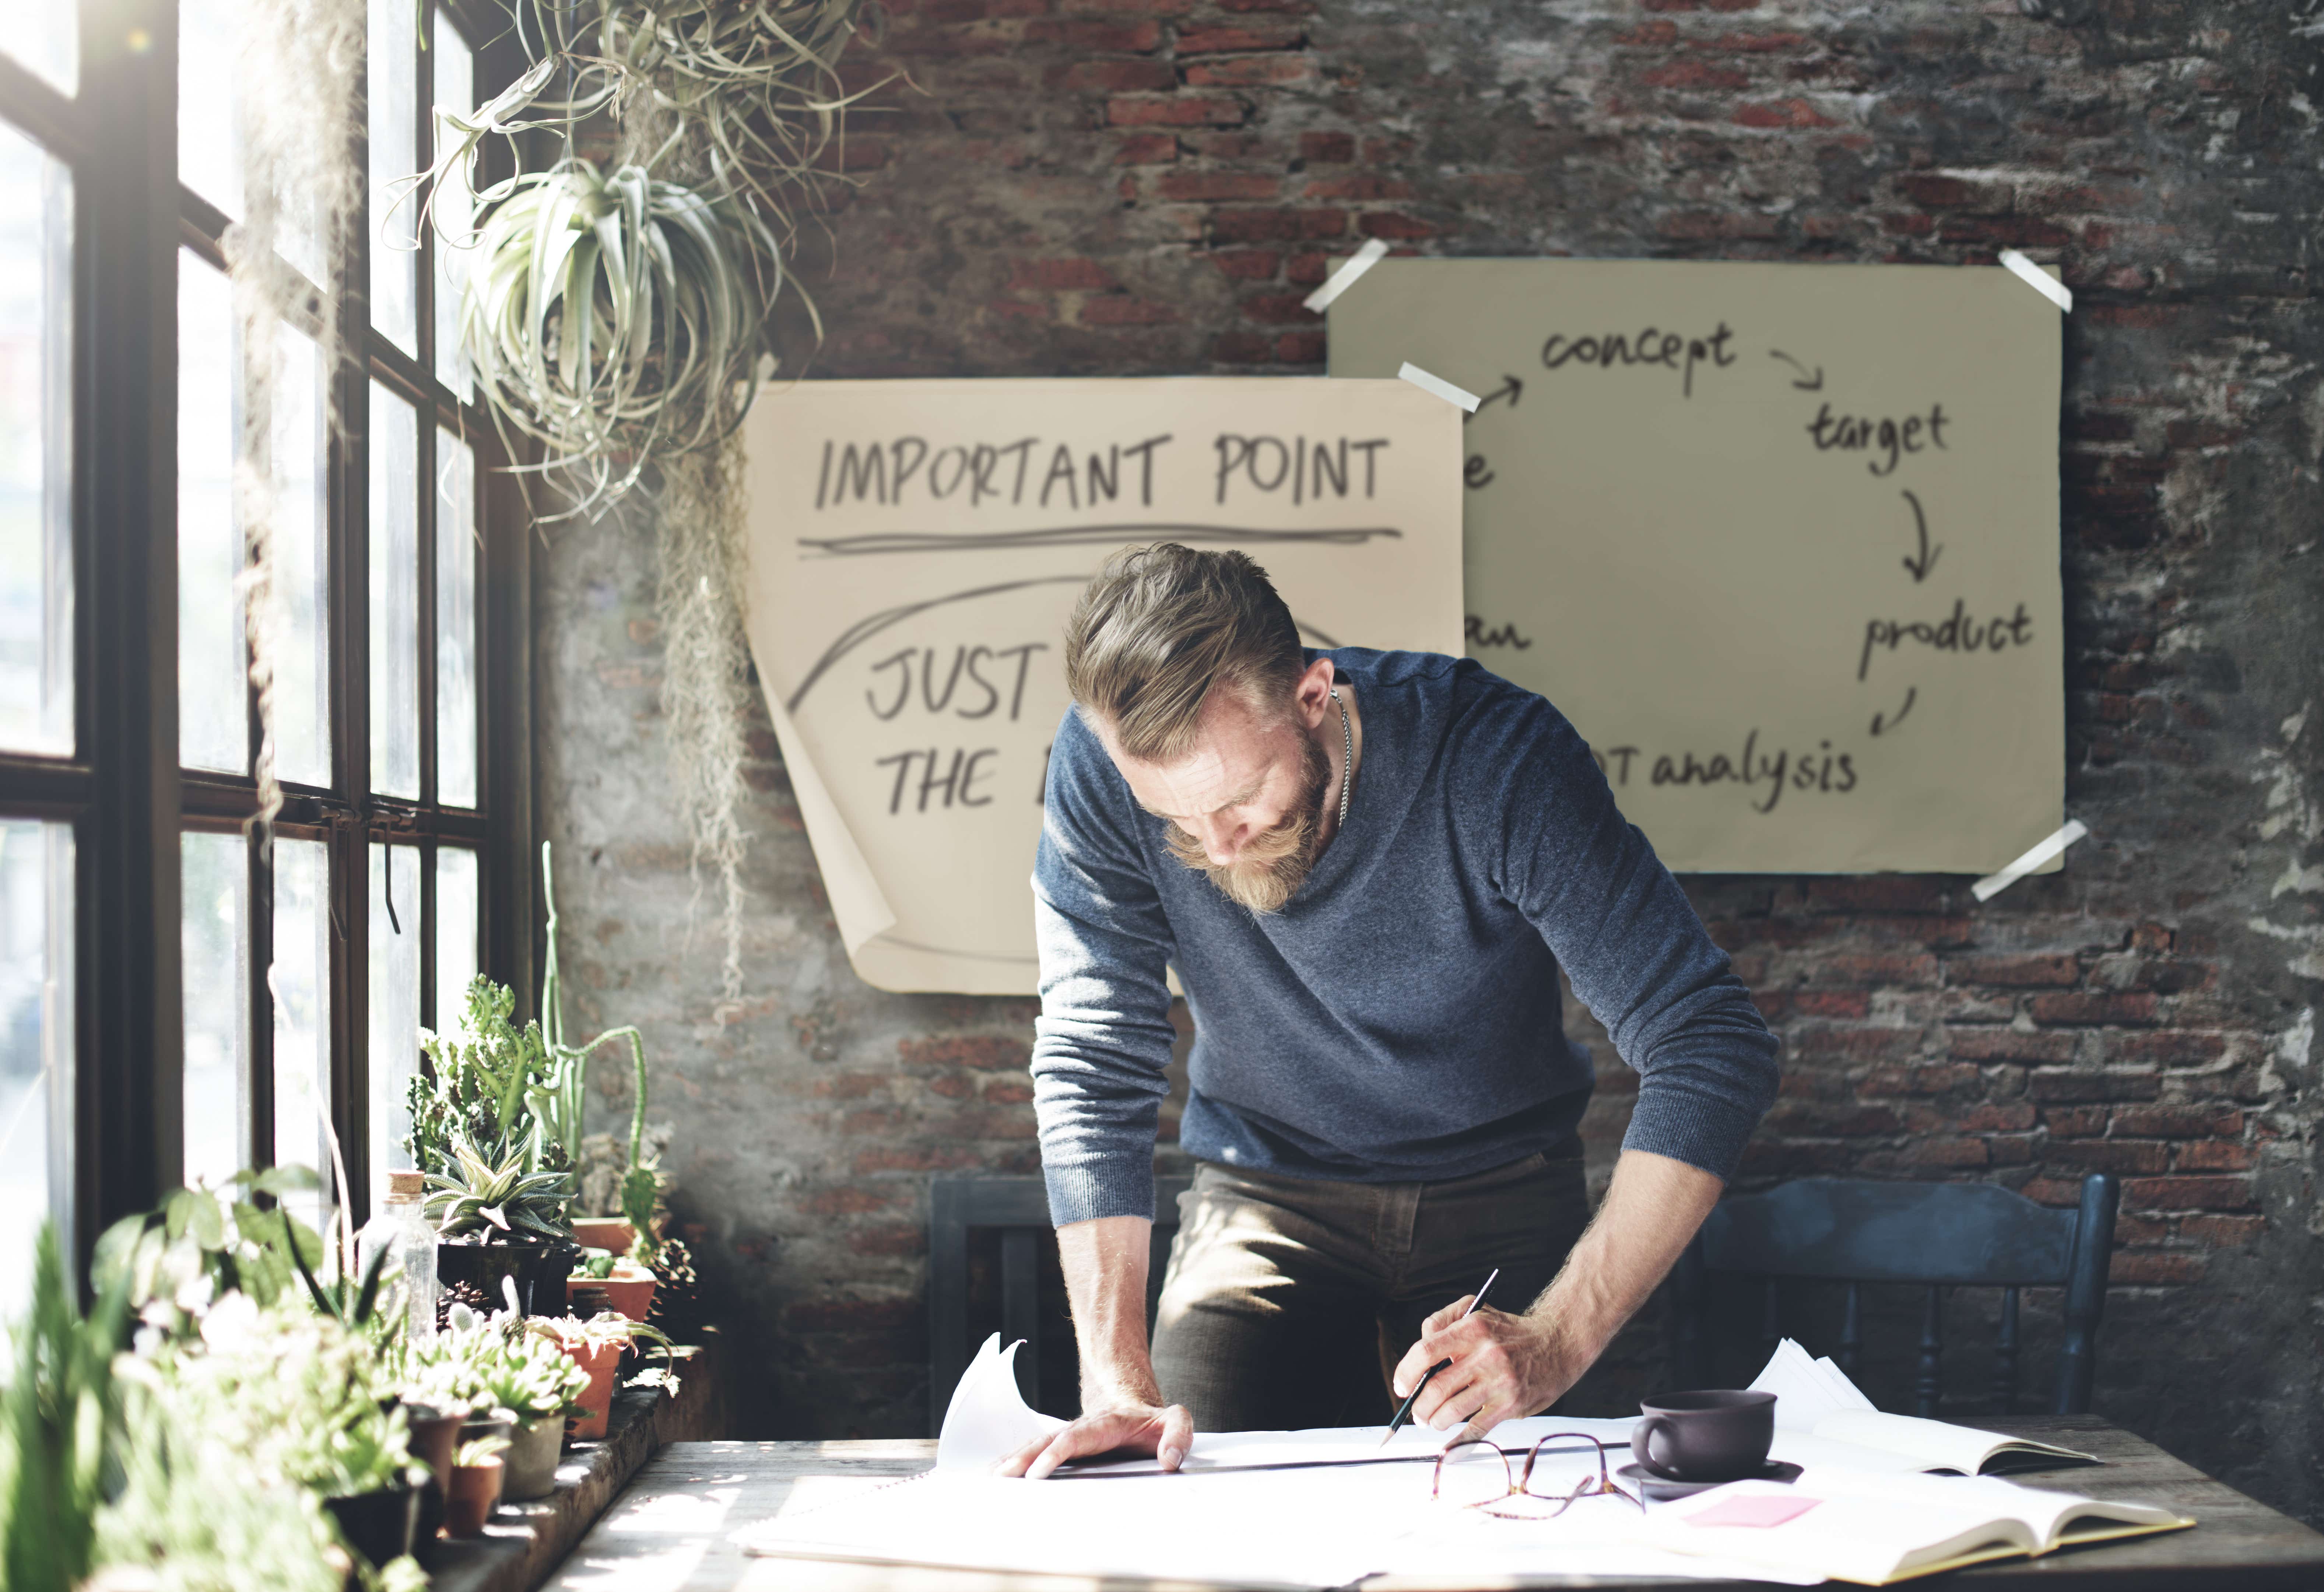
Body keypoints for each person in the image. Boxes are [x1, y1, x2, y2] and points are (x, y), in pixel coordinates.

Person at [1000, 544, 1779, 1480]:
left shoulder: (1495, 760)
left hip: (1497, 1183)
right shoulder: (1099, 764)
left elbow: (1708, 1042)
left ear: (1313, 697)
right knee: (1177, 1494)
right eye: (1174, 817)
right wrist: (1115, 1380)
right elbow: (1092, 1059)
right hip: (1264, 1190)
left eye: (1241, 797)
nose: (1212, 846)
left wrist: (1557, 1341)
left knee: (1514, 1519)